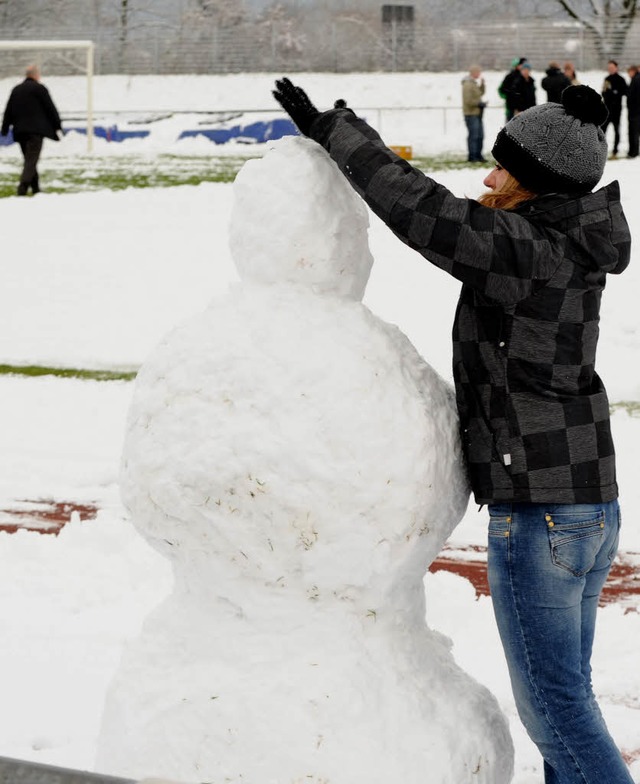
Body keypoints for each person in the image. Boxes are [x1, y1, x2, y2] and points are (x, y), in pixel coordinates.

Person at [273, 77, 634, 784]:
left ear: (537, 186)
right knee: (567, 704)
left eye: (504, 168)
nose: (489, 175)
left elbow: (422, 210)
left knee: (556, 711)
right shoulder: (571, 241)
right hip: (589, 503)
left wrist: (337, 131)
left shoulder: (529, 254)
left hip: (542, 513)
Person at [0, 64, 62, 196]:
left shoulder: (16, 90)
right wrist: (57, 126)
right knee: (31, 161)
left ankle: (36, 189)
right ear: (35, 75)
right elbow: (50, 108)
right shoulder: (40, 89)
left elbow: (8, 110)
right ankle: (22, 188)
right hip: (35, 132)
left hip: (20, 132)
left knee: (30, 160)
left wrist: (4, 128)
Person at [601, 59, 627, 158]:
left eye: (612, 67)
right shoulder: (607, 79)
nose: (610, 69)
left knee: (617, 130)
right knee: (603, 131)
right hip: (607, 110)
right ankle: (602, 150)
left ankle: (615, 151)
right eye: (609, 68)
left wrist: (616, 92)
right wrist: (607, 93)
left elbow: (625, 91)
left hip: (616, 110)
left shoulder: (621, 79)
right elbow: (603, 92)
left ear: (616, 68)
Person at [461, 64, 486, 162]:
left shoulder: (473, 83)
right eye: (478, 72)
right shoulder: (467, 84)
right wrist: (479, 103)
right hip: (471, 114)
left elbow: (480, 93)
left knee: (480, 135)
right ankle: (472, 156)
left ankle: (478, 155)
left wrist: (483, 85)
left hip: (477, 113)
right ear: (473, 72)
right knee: (474, 135)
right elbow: (468, 101)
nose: (480, 74)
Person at [498, 56, 526, 120]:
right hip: (511, 108)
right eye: (521, 65)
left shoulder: (526, 77)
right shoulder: (510, 76)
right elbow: (501, 90)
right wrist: (510, 97)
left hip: (523, 108)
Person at [626, 64, 640, 158]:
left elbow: (634, 96)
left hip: (635, 112)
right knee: (633, 132)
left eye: (629, 72)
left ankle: (633, 152)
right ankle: (633, 151)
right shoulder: (635, 79)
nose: (628, 74)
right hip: (635, 111)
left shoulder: (637, 79)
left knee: (634, 132)